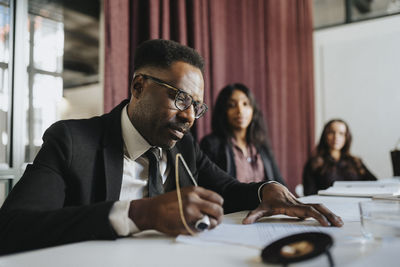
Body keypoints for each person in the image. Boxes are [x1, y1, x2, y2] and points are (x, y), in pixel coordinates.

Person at [0, 39, 342, 255]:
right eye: (181, 99)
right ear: (138, 86)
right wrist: (141, 213)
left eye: (198, 106)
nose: (191, 116)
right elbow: (12, 228)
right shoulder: (72, 142)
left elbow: (228, 190)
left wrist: (268, 190)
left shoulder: (183, 146)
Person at [200, 83, 286, 186]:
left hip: (266, 202)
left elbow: (280, 184)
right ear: (223, 111)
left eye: (245, 104)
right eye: (232, 105)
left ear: (253, 109)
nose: (240, 111)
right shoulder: (211, 145)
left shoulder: (261, 145)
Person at [302, 119, 377, 196]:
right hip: (327, 206)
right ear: (325, 135)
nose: (336, 137)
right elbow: (309, 194)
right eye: (331, 132)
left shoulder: (355, 161)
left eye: (341, 133)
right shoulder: (315, 163)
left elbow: (374, 183)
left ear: (346, 137)